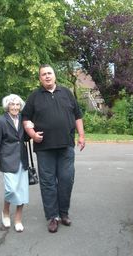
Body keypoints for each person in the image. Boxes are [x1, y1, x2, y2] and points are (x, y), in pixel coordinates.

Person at [22, 64, 85, 233]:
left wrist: (82, 136)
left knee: (66, 180)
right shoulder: (34, 96)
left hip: (66, 146)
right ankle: (52, 217)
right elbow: (26, 118)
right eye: (43, 74)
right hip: (44, 149)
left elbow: (77, 115)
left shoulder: (66, 93)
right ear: (40, 78)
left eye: (49, 73)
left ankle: (63, 213)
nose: (47, 76)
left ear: (55, 75)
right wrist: (32, 134)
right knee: (48, 183)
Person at [0, 94, 29, 232]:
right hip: (7, 159)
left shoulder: (24, 119)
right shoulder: (0, 121)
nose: (15, 107)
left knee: (22, 191)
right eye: (12, 104)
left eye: (18, 104)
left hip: (22, 160)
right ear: (7, 106)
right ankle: (5, 211)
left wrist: (31, 127)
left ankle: (18, 219)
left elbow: (26, 138)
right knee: (11, 189)